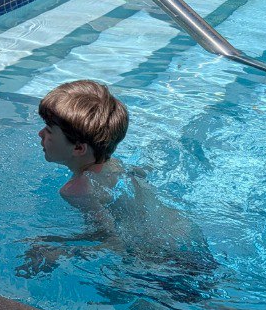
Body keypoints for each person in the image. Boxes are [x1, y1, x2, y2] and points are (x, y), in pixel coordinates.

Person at [27, 80, 215, 275]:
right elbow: (140, 175)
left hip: (158, 255)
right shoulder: (114, 164)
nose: (40, 134)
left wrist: (60, 249)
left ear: (78, 148)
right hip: (184, 233)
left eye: (49, 131)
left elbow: (110, 240)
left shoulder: (77, 190)